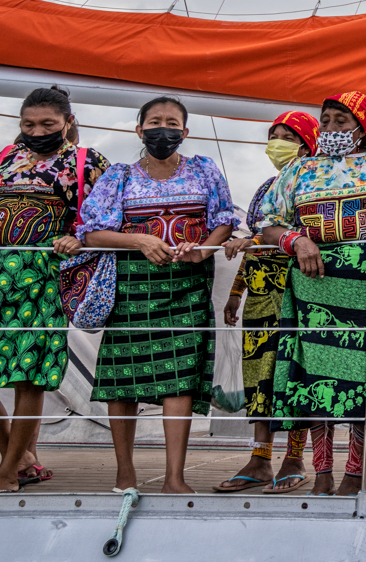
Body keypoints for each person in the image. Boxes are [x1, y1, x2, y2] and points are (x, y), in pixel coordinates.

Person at [80, 95, 237, 494]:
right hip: (132, 286)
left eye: (171, 123)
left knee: (180, 377)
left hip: (187, 283)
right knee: (122, 377)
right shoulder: (118, 177)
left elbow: (223, 220)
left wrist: (203, 249)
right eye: (154, 122)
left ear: (185, 131)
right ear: (139, 130)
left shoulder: (203, 170)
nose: (162, 129)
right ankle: (125, 474)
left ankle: (174, 478)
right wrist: (138, 240)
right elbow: (92, 233)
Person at [0, 87, 109, 493]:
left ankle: (8, 473)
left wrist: (79, 238)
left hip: (43, 280)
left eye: (48, 124)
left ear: (68, 122)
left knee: (29, 377)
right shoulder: (6, 156)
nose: (37, 131)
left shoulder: (87, 161)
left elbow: (103, 219)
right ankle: (22, 458)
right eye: (29, 124)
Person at [261, 91, 366, 496]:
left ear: (364, 125)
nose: (331, 128)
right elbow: (269, 222)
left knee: (362, 379)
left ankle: (354, 474)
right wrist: (296, 241)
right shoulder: (300, 168)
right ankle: (322, 472)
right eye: (325, 121)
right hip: (314, 285)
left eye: (342, 120)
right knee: (313, 380)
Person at [216, 111, 319, 494]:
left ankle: (294, 458)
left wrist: (256, 241)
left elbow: (306, 235)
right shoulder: (265, 188)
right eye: (274, 135)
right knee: (259, 373)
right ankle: (259, 459)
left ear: (307, 144)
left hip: (300, 289)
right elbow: (255, 241)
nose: (277, 143)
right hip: (260, 294)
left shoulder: (316, 183)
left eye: (288, 137)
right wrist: (236, 292)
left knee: (292, 373)